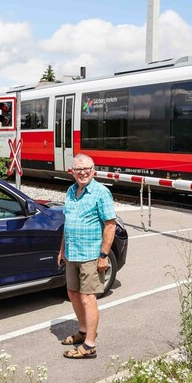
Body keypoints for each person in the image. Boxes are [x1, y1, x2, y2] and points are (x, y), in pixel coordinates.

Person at [58, 154, 116, 359]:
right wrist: (62, 249)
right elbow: (69, 222)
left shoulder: (101, 192)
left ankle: (90, 345)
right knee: (73, 294)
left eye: (86, 169)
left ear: (94, 170)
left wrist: (103, 255)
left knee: (87, 297)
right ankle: (83, 331)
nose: (82, 172)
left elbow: (110, 225)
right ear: (71, 172)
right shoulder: (71, 190)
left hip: (91, 255)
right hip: (72, 252)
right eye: (78, 169)